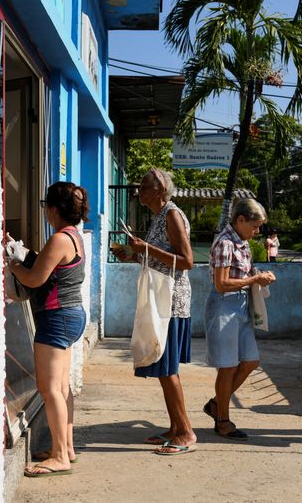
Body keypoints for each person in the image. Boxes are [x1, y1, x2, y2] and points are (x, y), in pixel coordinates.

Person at [111, 168, 197, 455]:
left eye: (144, 187)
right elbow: (160, 262)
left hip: (170, 302)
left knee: (167, 368)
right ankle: (175, 427)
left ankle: (185, 432)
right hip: (162, 297)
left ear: (160, 190)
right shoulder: (160, 217)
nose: (139, 192)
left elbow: (186, 261)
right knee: (163, 367)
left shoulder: (172, 214)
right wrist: (135, 255)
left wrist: (145, 247)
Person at [9, 181, 89, 477]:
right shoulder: (74, 236)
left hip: (56, 318)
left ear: (53, 209)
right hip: (70, 316)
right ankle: (66, 447)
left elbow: (34, 280)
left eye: (46, 207)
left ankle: (58, 456)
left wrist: (12, 264)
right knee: (62, 387)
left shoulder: (59, 240)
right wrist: (25, 254)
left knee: (49, 388)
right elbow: (48, 266)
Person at [203, 199, 276, 441]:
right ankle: (222, 420)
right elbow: (221, 283)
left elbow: (240, 275)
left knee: (250, 361)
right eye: (254, 226)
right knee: (228, 366)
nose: (257, 232)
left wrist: (258, 277)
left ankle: (217, 404)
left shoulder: (241, 243)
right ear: (240, 220)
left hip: (240, 305)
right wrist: (254, 280)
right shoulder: (225, 243)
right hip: (225, 306)